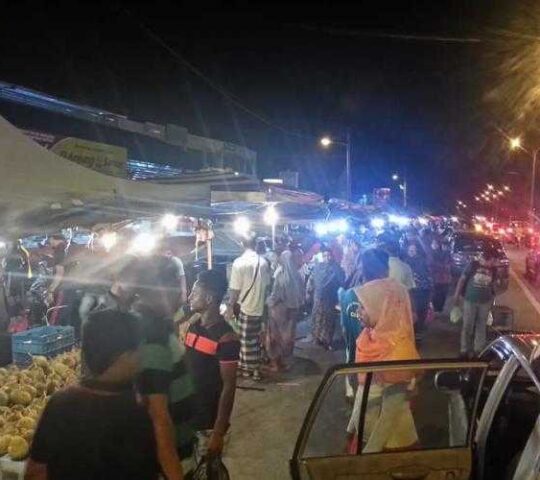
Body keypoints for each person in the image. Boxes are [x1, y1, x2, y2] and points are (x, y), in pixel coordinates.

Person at [25, 309, 159, 480]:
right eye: (139, 349)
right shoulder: (135, 408)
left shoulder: (60, 404)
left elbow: (35, 470)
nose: (142, 357)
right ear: (121, 356)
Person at [347, 248, 420, 453]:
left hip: (380, 445)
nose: (359, 312)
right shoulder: (372, 338)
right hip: (404, 353)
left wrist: (365, 449)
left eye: (363, 307)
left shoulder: (394, 354)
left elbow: (385, 412)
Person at [135, 255, 196, 480]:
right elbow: (158, 415)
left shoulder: (158, 325)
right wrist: (174, 473)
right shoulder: (152, 335)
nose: (181, 295)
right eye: (176, 286)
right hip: (168, 463)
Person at [185, 270, 240, 463]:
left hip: (208, 423)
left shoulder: (226, 338)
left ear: (209, 298)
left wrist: (218, 431)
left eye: (194, 292)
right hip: (189, 417)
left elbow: (229, 386)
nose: (189, 297)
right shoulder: (193, 327)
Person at [225, 233, 271, 381]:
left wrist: (230, 306)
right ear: (256, 244)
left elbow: (234, 290)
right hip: (260, 308)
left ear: (241, 244)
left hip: (246, 308)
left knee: (244, 342)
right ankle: (255, 370)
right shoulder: (263, 262)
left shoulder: (239, 263)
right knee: (256, 340)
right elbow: (268, 286)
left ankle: (248, 370)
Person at [453, 250, 500, 358]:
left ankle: (478, 350)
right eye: (493, 261)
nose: (494, 263)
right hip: (470, 300)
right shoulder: (473, 265)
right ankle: (464, 350)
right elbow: (462, 280)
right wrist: (456, 295)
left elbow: (494, 286)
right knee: (467, 325)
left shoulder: (494, 269)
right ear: (488, 259)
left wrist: (493, 299)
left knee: (481, 326)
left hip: (485, 302)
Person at [265, 248, 304, 372]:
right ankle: (285, 362)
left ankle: (276, 364)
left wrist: (267, 302)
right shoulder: (297, 275)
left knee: (275, 337)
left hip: (279, 312)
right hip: (292, 311)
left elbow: (276, 295)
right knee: (288, 338)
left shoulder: (282, 276)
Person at [307, 247, 345, 350]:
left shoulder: (336, 268)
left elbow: (342, 281)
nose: (327, 258)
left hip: (330, 299)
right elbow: (311, 281)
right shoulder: (317, 267)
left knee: (328, 321)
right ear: (322, 257)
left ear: (332, 256)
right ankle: (316, 338)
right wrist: (309, 293)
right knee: (317, 319)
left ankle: (327, 342)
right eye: (325, 256)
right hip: (318, 298)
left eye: (329, 255)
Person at [404, 242, 433, 334]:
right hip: (411, 292)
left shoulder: (422, 261)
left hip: (421, 292)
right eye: (410, 250)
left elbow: (428, 276)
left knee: (420, 314)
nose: (412, 252)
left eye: (414, 250)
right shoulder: (405, 262)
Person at [428, 238, 451, 313]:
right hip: (439, 279)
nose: (434, 245)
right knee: (438, 295)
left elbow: (448, 266)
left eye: (435, 244)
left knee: (440, 295)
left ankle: (438, 310)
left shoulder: (445, 254)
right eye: (433, 243)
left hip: (441, 279)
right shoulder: (432, 253)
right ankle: (437, 310)